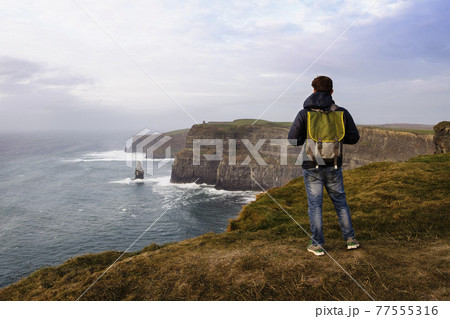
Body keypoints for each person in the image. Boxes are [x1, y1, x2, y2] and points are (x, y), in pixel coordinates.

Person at [288, 75, 360, 256]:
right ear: (332, 91)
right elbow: (353, 138)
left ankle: (318, 244)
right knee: (341, 203)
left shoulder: (304, 114)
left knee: (315, 206)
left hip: (312, 165)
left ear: (313, 90)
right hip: (334, 164)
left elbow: (293, 140)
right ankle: (350, 239)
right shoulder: (341, 112)